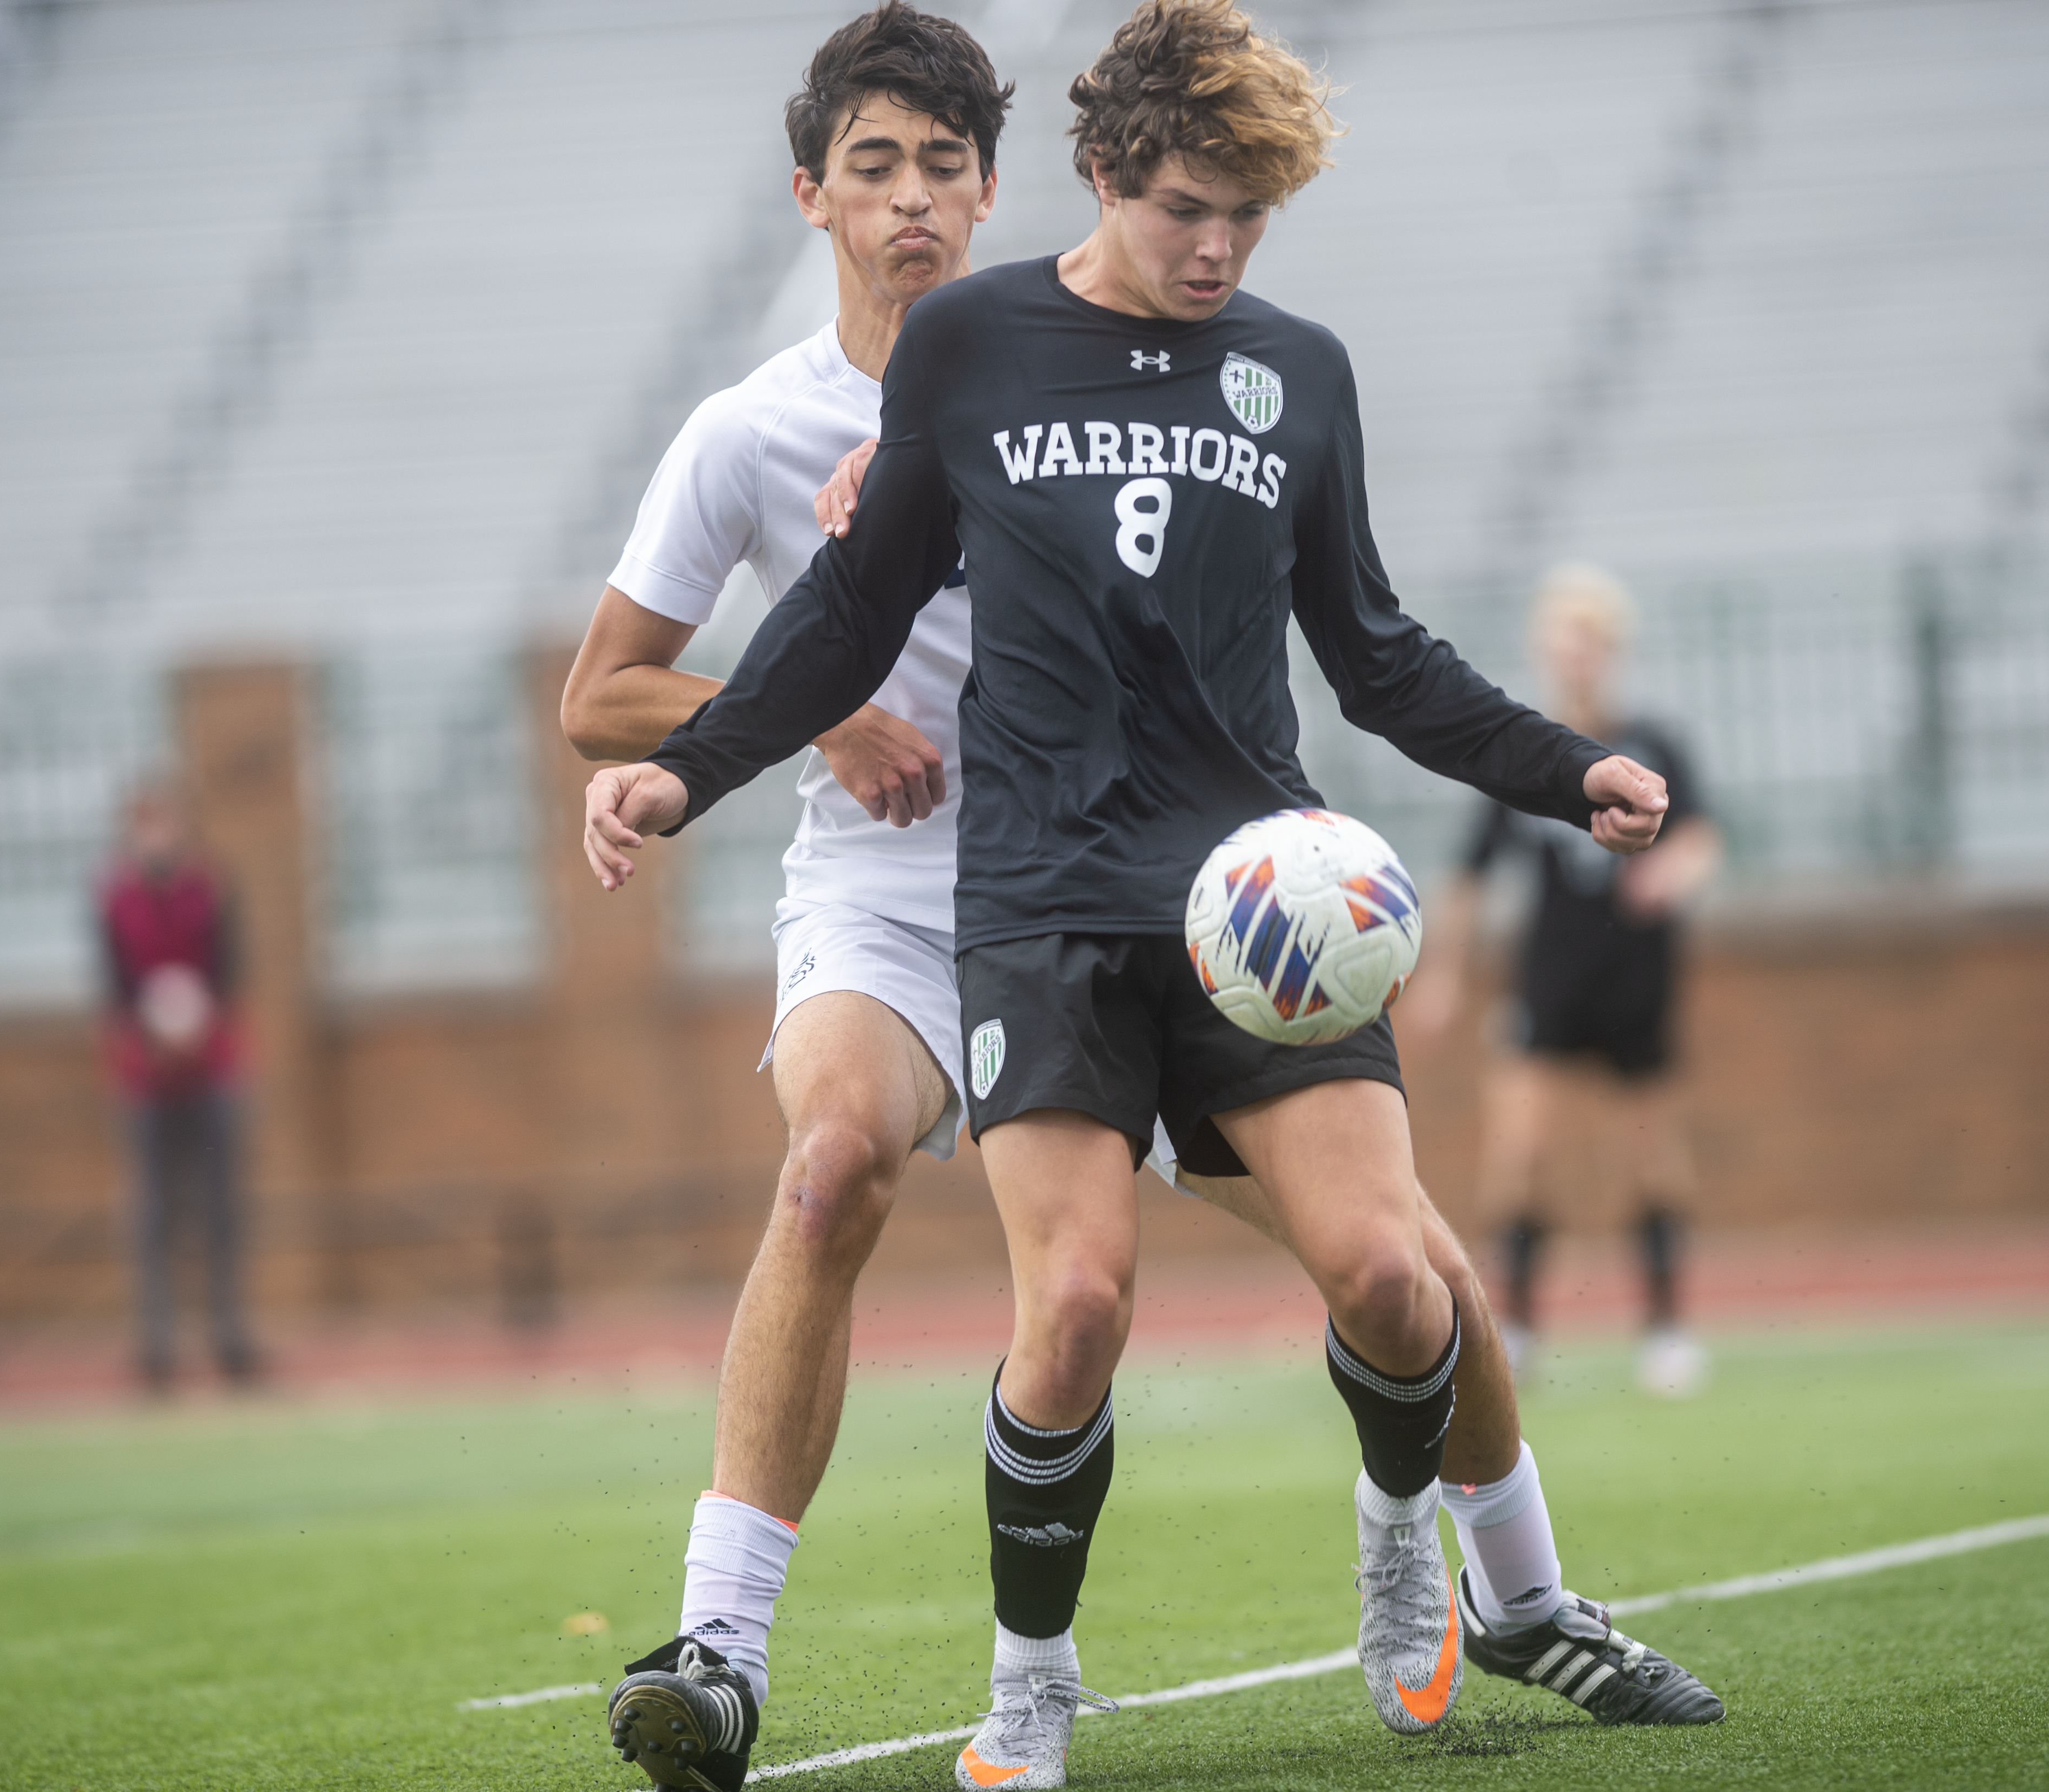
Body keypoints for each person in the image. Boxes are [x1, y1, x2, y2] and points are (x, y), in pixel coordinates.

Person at [586, 4, 1723, 1784]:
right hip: (1021, 903)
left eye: (1245, 219)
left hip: (1254, 904)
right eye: (1185, 206)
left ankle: (1437, 1567)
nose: (1213, 247)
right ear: (1106, 175)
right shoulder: (956, 354)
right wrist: (691, 765)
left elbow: (1375, 654)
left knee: (1402, 1279)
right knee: (1066, 1297)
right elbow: (843, 616)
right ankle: (987, 1683)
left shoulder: (1294, 370)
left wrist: (1562, 769)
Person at [557, 10, 1009, 1788]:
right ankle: (719, 1656)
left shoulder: (1078, 379)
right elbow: (601, 690)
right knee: (827, 1171)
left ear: (987, 192)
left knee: (1360, 1243)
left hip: (1094, 898)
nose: (909, 199)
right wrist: (828, 703)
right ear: (811, 190)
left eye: (943, 165)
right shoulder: (749, 431)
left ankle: (1499, 1570)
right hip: (883, 911)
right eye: (874, 165)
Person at [1404, 565, 1724, 1397]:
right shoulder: (1529, 754)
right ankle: (1516, 1328)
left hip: (1635, 976)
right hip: (1549, 979)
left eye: (1588, 639)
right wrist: (1441, 974)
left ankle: (1666, 1329)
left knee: (1651, 1156)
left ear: (1610, 650)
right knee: (1521, 1155)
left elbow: (1699, 839)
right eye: (1561, 639)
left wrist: (1675, 877)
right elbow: (1470, 874)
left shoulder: (1652, 744)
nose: (1574, 655)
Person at [97, 775, 258, 1390]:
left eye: (163, 820)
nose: (155, 834)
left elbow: (226, 972)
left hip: (211, 1071)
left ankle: (230, 1334)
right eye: (144, 823)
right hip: (145, 1079)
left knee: (222, 1210)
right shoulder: (116, 899)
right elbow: (115, 987)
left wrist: (198, 1029)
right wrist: (149, 1036)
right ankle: (157, 1343)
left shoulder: (209, 888)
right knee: (153, 1214)